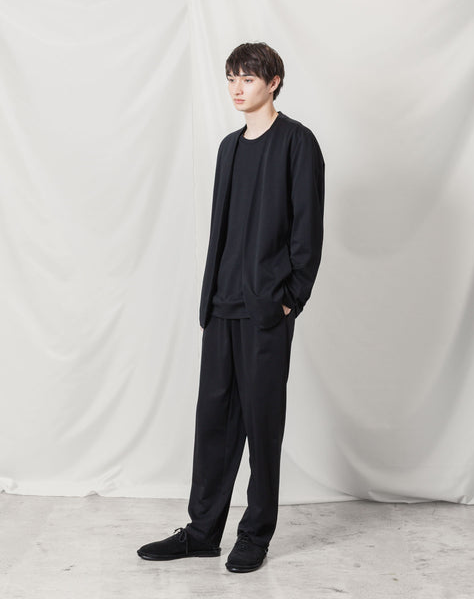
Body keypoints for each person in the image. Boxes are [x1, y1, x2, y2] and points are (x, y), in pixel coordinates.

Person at [137, 42, 325, 573]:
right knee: (214, 425)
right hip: (221, 308)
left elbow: (308, 231)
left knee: (262, 427)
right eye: (230, 78)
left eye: (247, 78)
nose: (237, 88)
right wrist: (210, 302)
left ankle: (255, 534)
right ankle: (202, 533)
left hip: (266, 311)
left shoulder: (298, 142)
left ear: (274, 81)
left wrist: (289, 300)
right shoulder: (228, 147)